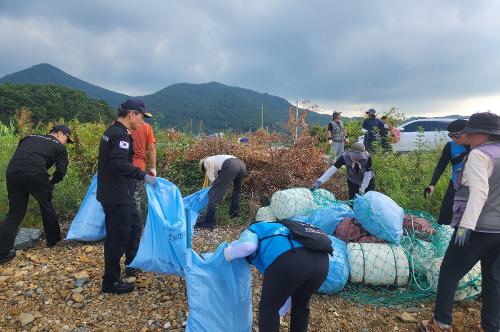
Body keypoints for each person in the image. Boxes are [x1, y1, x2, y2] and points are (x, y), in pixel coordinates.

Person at [417, 112, 500, 332]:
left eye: (470, 133)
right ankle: (490, 326)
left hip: (477, 229)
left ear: (481, 134)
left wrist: (464, 228)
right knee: (493, 278)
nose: (467, 137)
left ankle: (440, 323)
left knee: (449, 272)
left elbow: (479, 193)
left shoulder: (479, 156)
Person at [224, 221, 329, 331]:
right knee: (301, 306)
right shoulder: (283, 230)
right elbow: (286, 295)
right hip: (322, 264)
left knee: (269, 310)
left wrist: (227, 254)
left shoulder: (253, 229)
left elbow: (247, 247)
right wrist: (278, 312)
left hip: (291, 260)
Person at [97, 98, 156, 294]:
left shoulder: (113, 131)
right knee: (117, 236)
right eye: (142, 118)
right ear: (132, 114)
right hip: (116, 194)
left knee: (134, 224)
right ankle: (110, 282)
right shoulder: (120, 135)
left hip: (119, 192)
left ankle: (133, 261)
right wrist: (143, 175)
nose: (143, 122)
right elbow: (118, 164)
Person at [0, 125, 72, 264]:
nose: (66, 143)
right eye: (66, 139)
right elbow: (61, 170)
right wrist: (51, 182)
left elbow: (22, 154)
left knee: (15, 213)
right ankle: (54, 240)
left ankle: (2, 253)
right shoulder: (59, 147)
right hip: (36, 172)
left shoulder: (29, 137)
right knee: (46, 204)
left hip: (13, 172)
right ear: (59, 134)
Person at [424, 119, 470, 225]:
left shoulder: (478, 145)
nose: (454, 139)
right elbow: (441, 166)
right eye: (451, 136)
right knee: (445, 213)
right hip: (455, 185)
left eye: (456, 136)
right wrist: (432, 184)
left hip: (473, 187)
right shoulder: (450, 146)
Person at [195, 155, 246, 229]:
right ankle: (233, 216)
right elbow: (222, 180)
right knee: (237, 191)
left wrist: (214, 188)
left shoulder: (206, 161)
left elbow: (213, 181)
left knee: (213, 192)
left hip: (231, 165)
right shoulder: (217, 160)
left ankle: (208, 222)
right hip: (241, 165)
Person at [311, 142, 375, 199]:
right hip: (352, 180)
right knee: (353, 200)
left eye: (358, 157)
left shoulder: (368, 158)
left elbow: (367, 174)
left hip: (368, 180)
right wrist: (319, 181)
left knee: (370, 198)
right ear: (350, 153)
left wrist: (363, 188)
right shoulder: (344, 157)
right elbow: (332, 170)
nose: (355, 159)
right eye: (354, 156)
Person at [130, 121, 156, 218]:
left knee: (119, 198)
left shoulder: (118, 124)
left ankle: (118, 228)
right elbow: (151, 148)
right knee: (135, 200)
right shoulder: (146, 127)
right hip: (139, 168)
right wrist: (153, 168)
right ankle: (135, 229)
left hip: (121, 167)